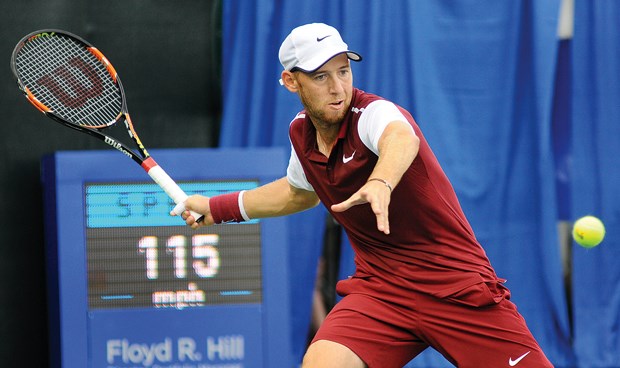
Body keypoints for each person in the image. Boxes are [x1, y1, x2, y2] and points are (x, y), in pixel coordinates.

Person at [174, 23, 553, 368]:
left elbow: (400, 137)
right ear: (291, 82)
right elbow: (298, 192)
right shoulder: (300, 133)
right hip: (382, 291)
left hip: (454, 287)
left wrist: (381, 181)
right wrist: (216, 207)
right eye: (321, 76)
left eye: (343, 70)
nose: (338, 87)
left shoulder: (373, 113)